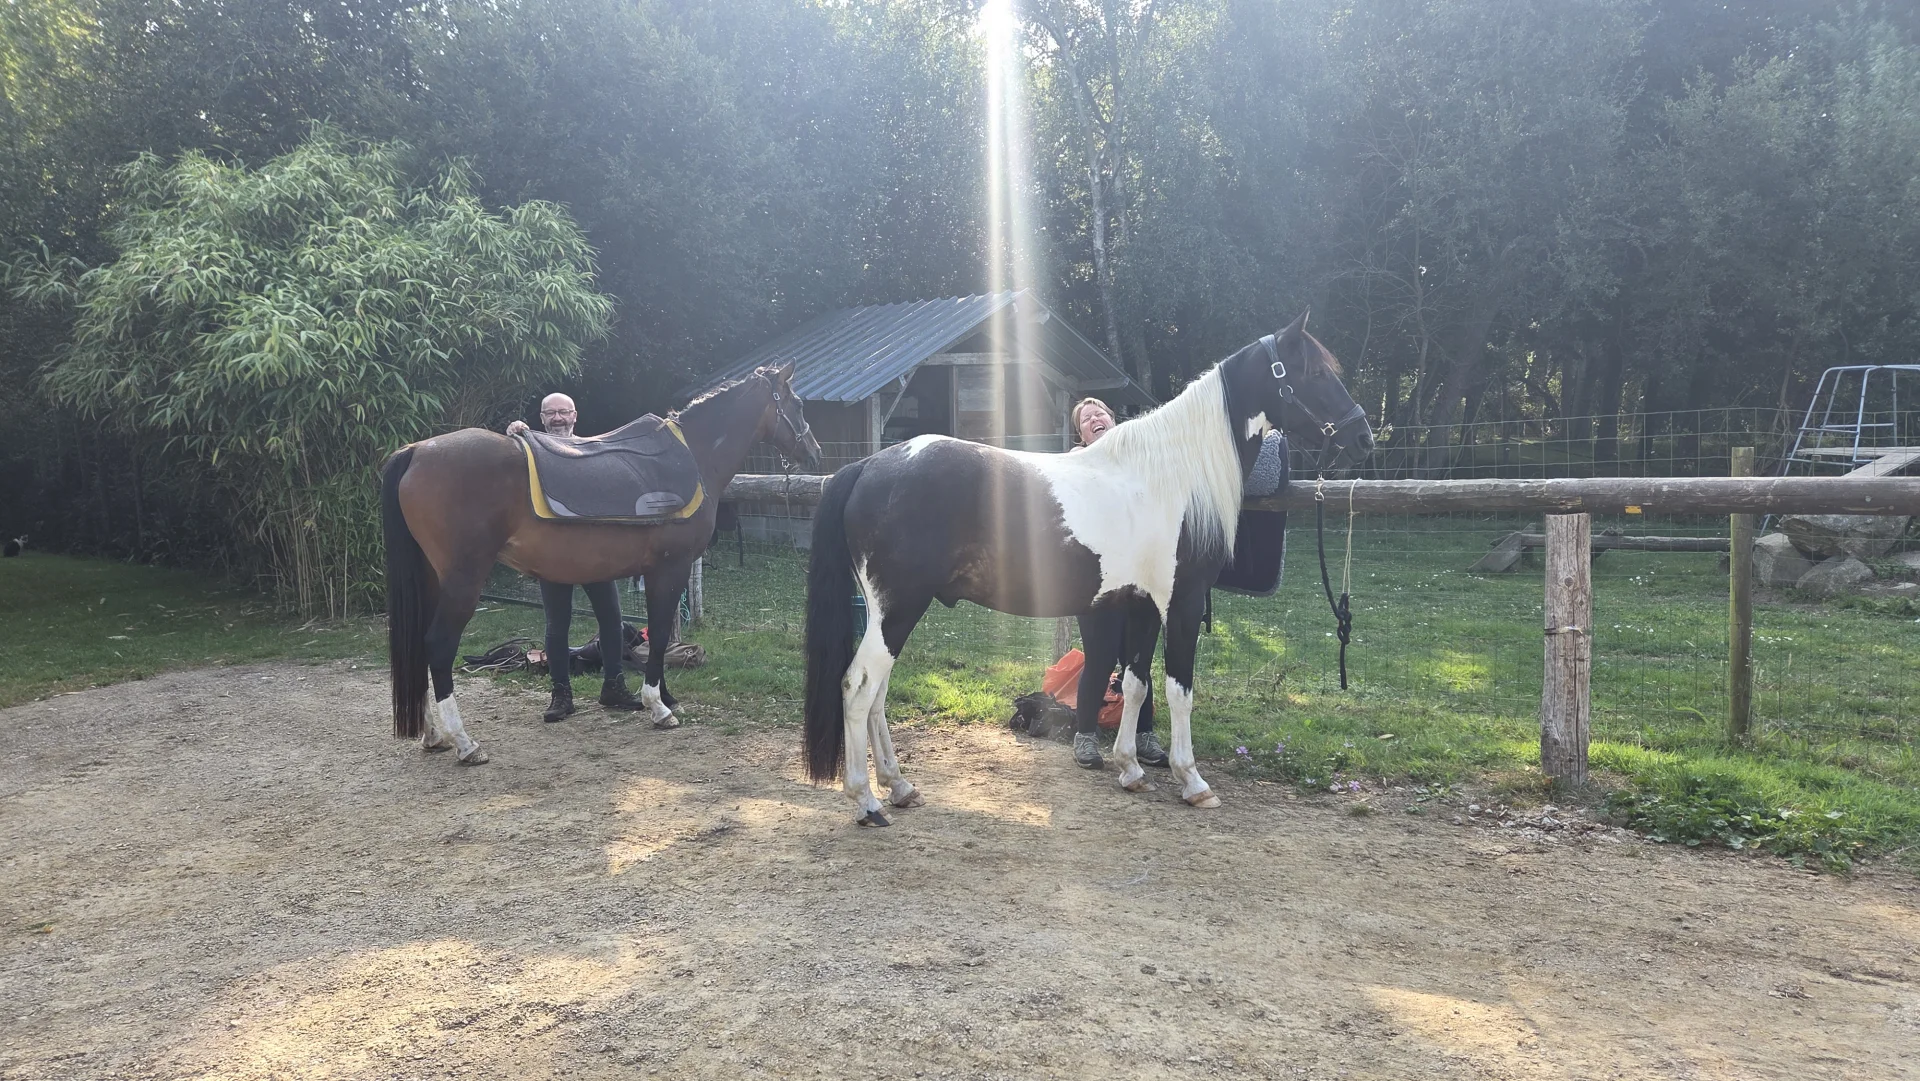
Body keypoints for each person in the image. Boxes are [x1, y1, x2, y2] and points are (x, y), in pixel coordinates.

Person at [508, 393, 645, 721]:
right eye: (551, 413)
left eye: (563, 412)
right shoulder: (530, 448)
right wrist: (513, 433)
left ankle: (613, 686)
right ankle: (561, 694)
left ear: (575, 416)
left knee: (612, 620)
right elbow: (507, 465)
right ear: (542, 418)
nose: (558, 418)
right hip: (553, 554)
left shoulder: (593, 448)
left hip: (595, 553)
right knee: (557, 624)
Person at [1066, 397, 1169, 771]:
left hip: (1140, 578)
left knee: (1139, 660)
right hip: (1095, 583)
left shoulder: (1139, 460)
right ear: (1081, 435)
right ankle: (1086, 736)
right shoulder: (1075, 465)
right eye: (1087, 418)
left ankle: (1144, 736)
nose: (1096, 419)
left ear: (1114, 420)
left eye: (1101, 414)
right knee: (1101, 656)